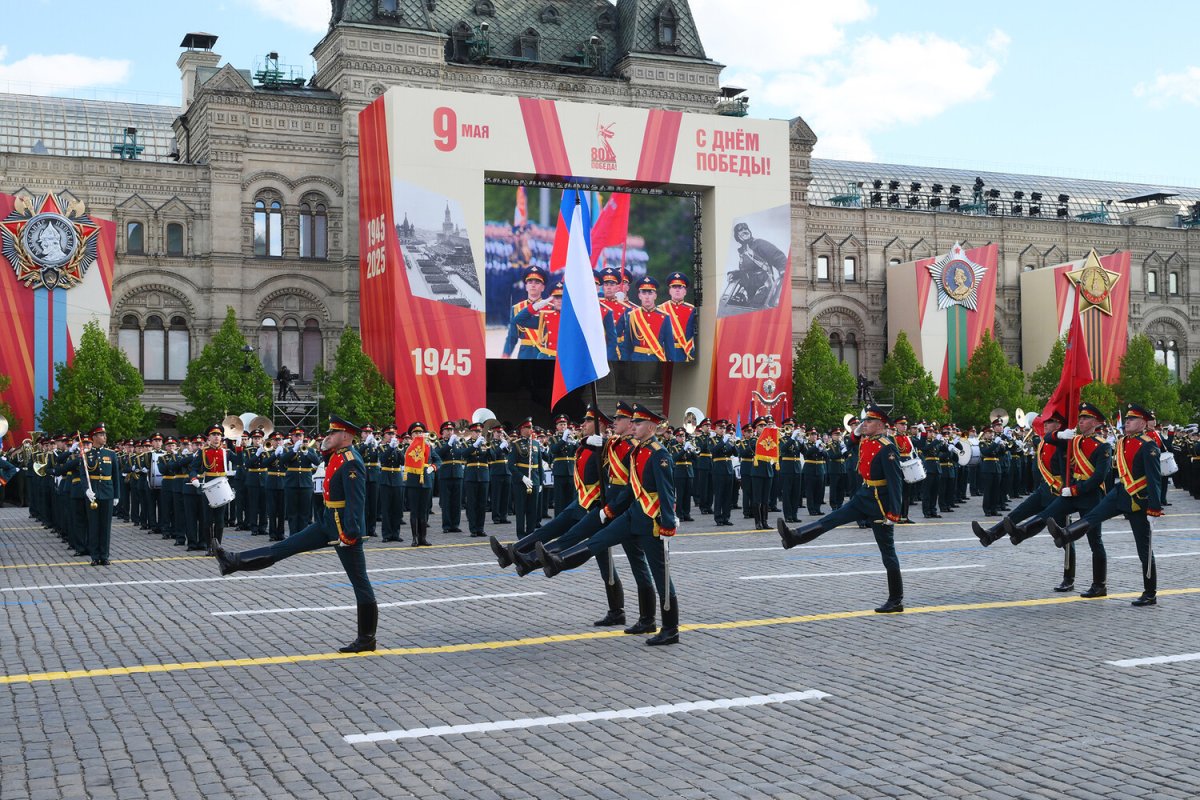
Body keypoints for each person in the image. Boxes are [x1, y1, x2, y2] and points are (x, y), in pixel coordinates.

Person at [216, 415, 378, 652]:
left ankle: (367, 638)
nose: (328, 436)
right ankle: (233, 562)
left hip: (344, 529)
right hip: (327, 522)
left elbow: (357, 500)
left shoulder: (351, 461)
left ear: (345, 436)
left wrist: (351, 532)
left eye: (333, 433)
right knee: (286, 546)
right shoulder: (337, 455)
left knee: (360, 582)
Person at [538, 404, 680, 645]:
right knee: (599, 540)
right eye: (633, 422)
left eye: (638, 423)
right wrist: (611, 509)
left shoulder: (659, 454)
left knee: (660, 575)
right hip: (633, 513)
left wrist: (668, 524)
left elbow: (667, 493)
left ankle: (670, 628)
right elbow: (631, 487)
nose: (634, 426)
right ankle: (559, 561)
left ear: (651, 427)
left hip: (651, 520)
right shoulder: (637, 451)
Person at [777, 404, 905, 613]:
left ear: (881, 425)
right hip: (864, 494)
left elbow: (895, 481)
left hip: (879, 504)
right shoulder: (867, 440)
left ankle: (896, 599)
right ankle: (794, 537)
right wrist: (857, 432)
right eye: (864, 420)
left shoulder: (887, 447)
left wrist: (894, 513)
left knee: (887, 552)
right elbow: (850, 443)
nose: (864, 424)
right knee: (832, 519)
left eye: (869, 421)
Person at [1047, 403, 1163, 606]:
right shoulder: (1122, 441)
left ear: (1143, 423)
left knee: (1143, 548)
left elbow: (1154, 479)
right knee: (1093, 516)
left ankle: (1150, 592)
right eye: (1127, 419)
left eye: (1132, 419)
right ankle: (1066, 534)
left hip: (1138, 499)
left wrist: (1154, 508)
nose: (1127, 422)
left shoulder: (1148, 446)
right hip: (1119, 492)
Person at [1002, 403, 1112, 597]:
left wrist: (1076, 489)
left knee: (1095, 541)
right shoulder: (1074, 440)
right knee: (1048, 513)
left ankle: (1099, 584)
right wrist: (1061, 434)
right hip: (1072, 493)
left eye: (1085, 418)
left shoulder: (1103, 445)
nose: (1081, 421)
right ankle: (1022, 532)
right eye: (1080, 418)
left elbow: (1099, 477)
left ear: (1095, 422)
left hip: (1090, 495)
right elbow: (1046, 437)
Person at [729, 222, 786, 309]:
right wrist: (734, 274)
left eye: (746, 229)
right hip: (750, 287)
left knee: (755, 309)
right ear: (737, 236)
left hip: (764, 284)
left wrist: (783, 268)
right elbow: (745, 270)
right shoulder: (743, 251)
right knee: (742, 307)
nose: (744, 231)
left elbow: (777, 255)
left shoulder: (759, 243)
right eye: (740, 230)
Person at [621, 276, 674, 361]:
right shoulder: (632, 315)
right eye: (644, 293)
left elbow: (669, 347)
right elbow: (627, 346)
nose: (647, 297)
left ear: (655, 296)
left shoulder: (665, 317)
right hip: (636, 360)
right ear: (639, 296)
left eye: (650, 293)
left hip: (657, 359)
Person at [502, 266, 548, 359]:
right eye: (530, 282)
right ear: (526, 287)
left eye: (537, 282)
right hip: (525, 355)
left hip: (545, 355)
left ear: (543, 287)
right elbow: (512, 337)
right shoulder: (517, 309)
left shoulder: (550, 308)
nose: (533, 285)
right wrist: (506, 355)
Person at [658, 271, 697, 362]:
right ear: (670, 291)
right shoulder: (660, 309)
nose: (677, 290)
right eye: (674, 287)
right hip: (665, 353)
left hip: (685, 353)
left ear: (685, 291)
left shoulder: (693, 310)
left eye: (680, 287)